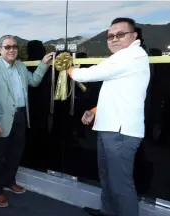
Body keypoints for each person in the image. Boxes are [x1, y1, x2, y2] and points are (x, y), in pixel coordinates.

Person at [67, 18, 150, 216]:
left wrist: (68, 69)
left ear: (134, 36)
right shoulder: (123, 57)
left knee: (121, 184)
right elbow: (118, 94)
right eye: (110, 36)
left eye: (120, 34)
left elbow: (92, 73)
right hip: (109, 128)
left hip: (121, 133)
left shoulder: (133, 55)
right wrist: (94, 111)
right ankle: (108, 212)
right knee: (107, 177)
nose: (114, 39)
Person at [0, 35, 54, 207]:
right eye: (7, 47)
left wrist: (43, 63)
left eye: (14, 46)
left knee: (16, 153)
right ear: (0, 49)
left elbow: (34, 81)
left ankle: (9, 181)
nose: (11, 49)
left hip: (21, 116)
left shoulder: (21, 67)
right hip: (1, 119)